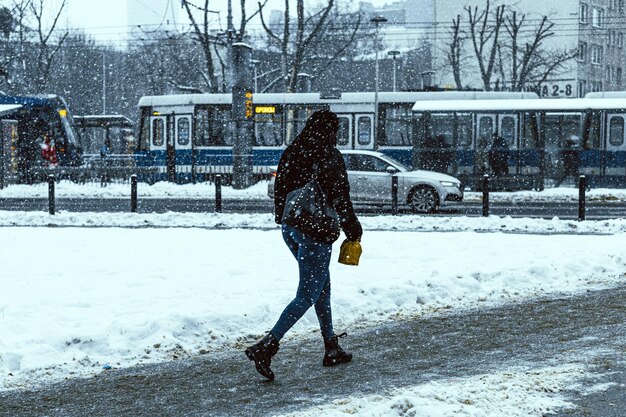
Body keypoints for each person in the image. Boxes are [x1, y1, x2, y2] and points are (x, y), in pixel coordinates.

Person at [245, 110, 363, 381]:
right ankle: (268, 345)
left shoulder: (293, 150)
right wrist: (353, 230)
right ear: (331, 131)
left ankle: (331, 346)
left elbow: (281, 188)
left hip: (291, 228)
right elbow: (340, 197)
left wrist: (284, 218)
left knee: (322, 288)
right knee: (307, 294)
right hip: (315, 231)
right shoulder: (328, 156)